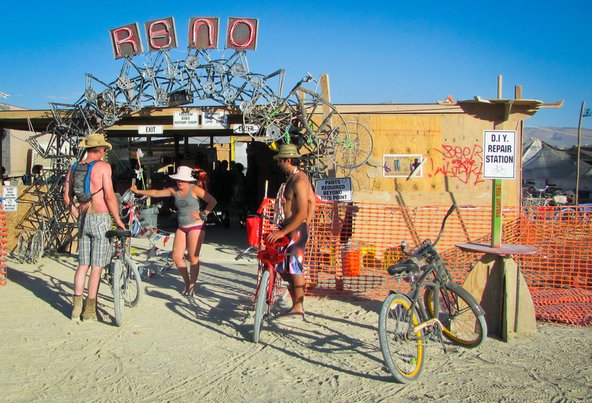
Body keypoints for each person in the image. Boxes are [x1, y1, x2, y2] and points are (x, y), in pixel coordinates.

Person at [63, 133, 126, 322]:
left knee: (83, 264)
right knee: (97, 266)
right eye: (104, 149)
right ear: (99, 150)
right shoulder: (103, 167)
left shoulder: (74, 167)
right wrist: (118, 219)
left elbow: (66, 196)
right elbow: (109, 196)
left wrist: (75, 213)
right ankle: (89, 310)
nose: (104, 152)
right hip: (100, 218)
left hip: (83, 218)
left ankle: (75, 308)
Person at [130, 165, 216, 297]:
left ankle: (192, 285)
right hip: (181, 226)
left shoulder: (195, 189)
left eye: (182, 180)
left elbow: (212, 201)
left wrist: (203, 214)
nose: (180, 182)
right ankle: (187, 282)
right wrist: (139, 191)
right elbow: (157, 193)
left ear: (188, 180)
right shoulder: (174, 190)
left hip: (196, 226)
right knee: (176, 256)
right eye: (178, 179)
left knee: (193, 257)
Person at [266, 144, 316, 319]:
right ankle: (296, 303)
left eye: (280, 160)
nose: (278, 163)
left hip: (294, 229)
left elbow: (302, 210)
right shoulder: (294, 178)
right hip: (291, 227)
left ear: (288, 160)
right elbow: (313, 201)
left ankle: (298, 307)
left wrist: (300, 226)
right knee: (283, 267)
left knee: (295, 268)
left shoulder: (299, 180)